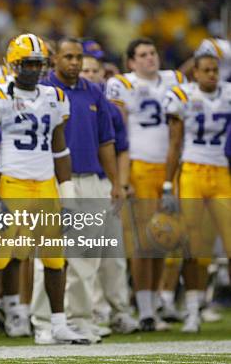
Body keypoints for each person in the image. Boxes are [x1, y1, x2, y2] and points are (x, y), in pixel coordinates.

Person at [0, 34, 88, 346]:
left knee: (55, 259)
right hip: (12, 182)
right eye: (28, 63)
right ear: (13, 64)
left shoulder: (55, 97)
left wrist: (67, 190)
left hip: (45, 183)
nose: (34, 68)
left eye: (39, 63)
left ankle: (59, 324)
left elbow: (59, 148)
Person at [40, 37, 121, 344]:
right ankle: (45, 322)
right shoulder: (44, 91)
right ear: (55, 60)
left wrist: (113, 182)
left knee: (87, 254)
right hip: (52, 178)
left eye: (78, 57)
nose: (74, 62)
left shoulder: (95, 93)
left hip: (89, 179)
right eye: (68, 57)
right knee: (49, 256)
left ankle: (82, 319)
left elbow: (106, 141)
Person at [105, 37, 186, 332]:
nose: (150, 58)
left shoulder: (174, 79)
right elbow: (118, 131)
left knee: (163, 240)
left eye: (152, 53)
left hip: (168, 170)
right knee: (142, 241)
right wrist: (122, 177)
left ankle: (154, 305)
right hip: (139, 166)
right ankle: (146, 311)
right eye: (142, 55)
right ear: (130, 62)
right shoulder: (121, 84)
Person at [163, 53, 231, 333]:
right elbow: (175, 143)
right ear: (196, 73)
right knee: (195, 247)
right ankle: (193, 310)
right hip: (192, 171)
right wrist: (168, 184)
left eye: (215, 70)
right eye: (206, 70)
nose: (212, 75)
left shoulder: (228, 93)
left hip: (223, 174)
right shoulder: (183, 95)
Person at [79, 47, 138, 335]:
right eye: (85, 70)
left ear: (104, 74)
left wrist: (121, 183)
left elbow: (122, 149)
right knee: (86, 252)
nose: (90, 75)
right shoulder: (71, 102)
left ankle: (118, 310)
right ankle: (92, 311)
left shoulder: (109, 108)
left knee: (113, 251)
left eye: (94, 71)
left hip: (107, 183)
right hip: (84, 182)